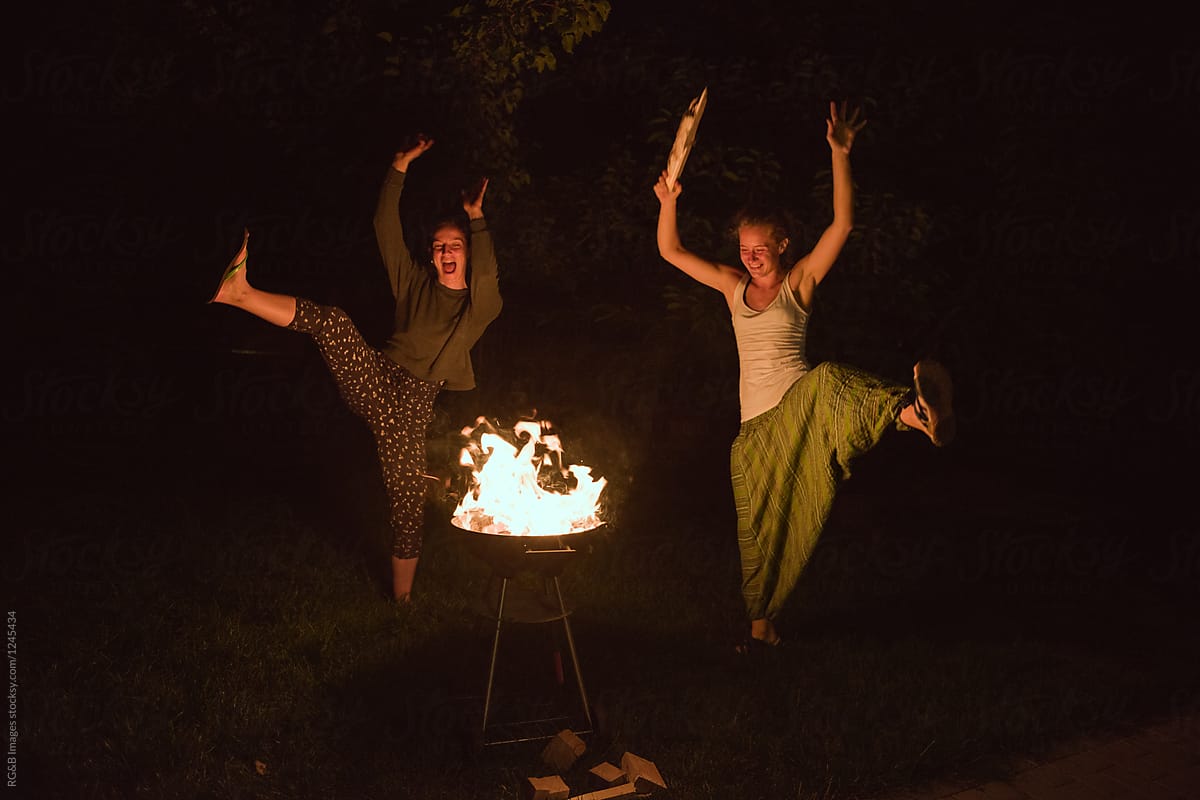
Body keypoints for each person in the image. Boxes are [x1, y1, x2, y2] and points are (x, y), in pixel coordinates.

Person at [652, 102, 954, 650]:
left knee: (831, 378)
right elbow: (669, 250)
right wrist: (669, 201)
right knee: (758, 533)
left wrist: (840, 154)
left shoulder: (800, 282)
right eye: (744, 251)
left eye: (760, 249)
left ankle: (912, 412)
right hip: (755, 431)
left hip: (801, 404)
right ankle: (762, 627)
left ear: (783, 245)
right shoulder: (730, 285)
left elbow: (843, 224)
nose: (751, 260)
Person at [209, 136, 503, 602]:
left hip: (411, 405)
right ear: (431, 254)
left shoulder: (478, 306)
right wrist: (398, 169)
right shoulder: (413, 283)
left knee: (406, 500)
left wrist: (476, 218)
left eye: (456, 246)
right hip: (376, 377)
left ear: (467, 252)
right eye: (439, 246)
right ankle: (240, 293)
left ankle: (402, 601)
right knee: (334, 322)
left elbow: (487, 278)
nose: (447, 253)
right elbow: (384, 227)